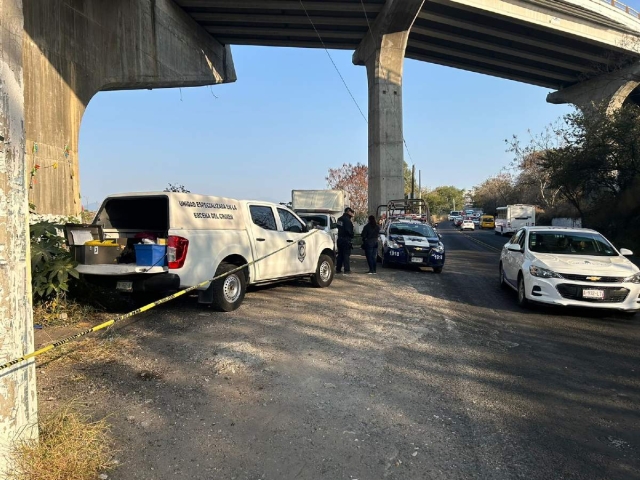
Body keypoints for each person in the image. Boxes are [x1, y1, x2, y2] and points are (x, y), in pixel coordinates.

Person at [336, 207, 355, 274]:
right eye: (351, 212)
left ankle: (338, 269)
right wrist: (352, 235)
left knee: (340, 254)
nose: (352, 214)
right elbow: (349, 231)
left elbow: (338, 227)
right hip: (346, 239)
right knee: (346, 254)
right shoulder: (347, 220)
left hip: (340, 239)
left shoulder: (339, 219)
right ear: (348, 211)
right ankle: (347, 270)